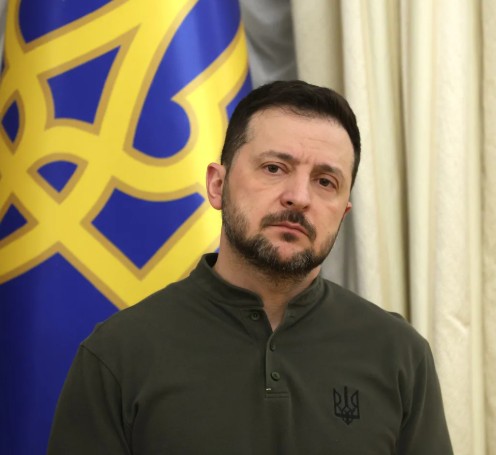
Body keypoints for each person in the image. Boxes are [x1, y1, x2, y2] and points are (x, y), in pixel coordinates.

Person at [47, 80, 453, 454]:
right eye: (274, 168)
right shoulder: (117, 354)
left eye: (325, 181)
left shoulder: (399, 354)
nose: (299, 197)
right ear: (217, 185)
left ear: (343, 212)